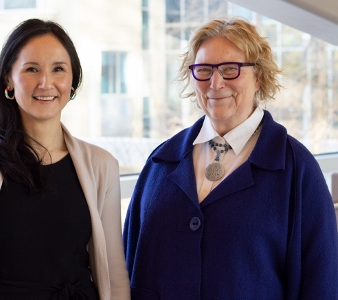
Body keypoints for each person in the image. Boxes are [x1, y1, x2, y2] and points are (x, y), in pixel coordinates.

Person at [123, 17, 338, 300]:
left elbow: (321, 282)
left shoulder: (297, 169)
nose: (215, 83)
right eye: (203, 70)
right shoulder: (160, 162)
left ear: (259, 75)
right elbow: (128, 264)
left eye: (229, 70)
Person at [0, 19, 130, 300]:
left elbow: (114, 272)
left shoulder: (102, 166)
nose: (46, 83)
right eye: (31, 69)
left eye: (58, 69)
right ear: (8, 79)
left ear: (73, 82)